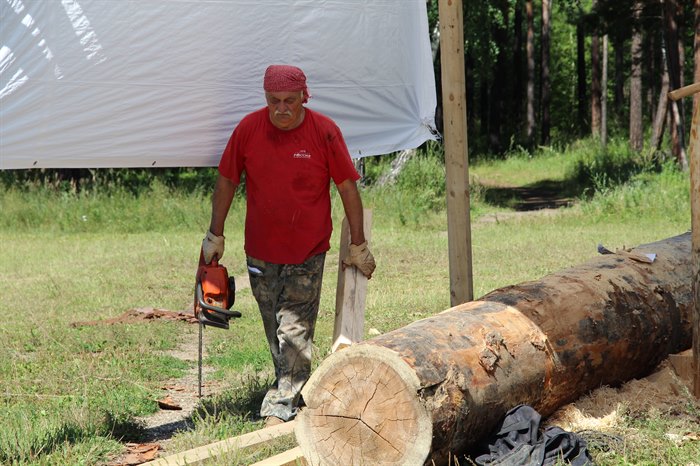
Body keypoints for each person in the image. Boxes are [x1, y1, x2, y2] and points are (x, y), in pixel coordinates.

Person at [201, 64, 376, 426]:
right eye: (274, 101)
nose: (281, 109)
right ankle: (292, 384)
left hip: (307, 250)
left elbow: (347, 187)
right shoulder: (248, 129)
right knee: (274, 327)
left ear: (303, 97)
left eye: (289, 101)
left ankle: (280, 408)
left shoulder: (324, 131)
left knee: (294, 328)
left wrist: (357, 244)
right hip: (260, 251)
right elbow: (227, 180)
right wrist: (215, 235)